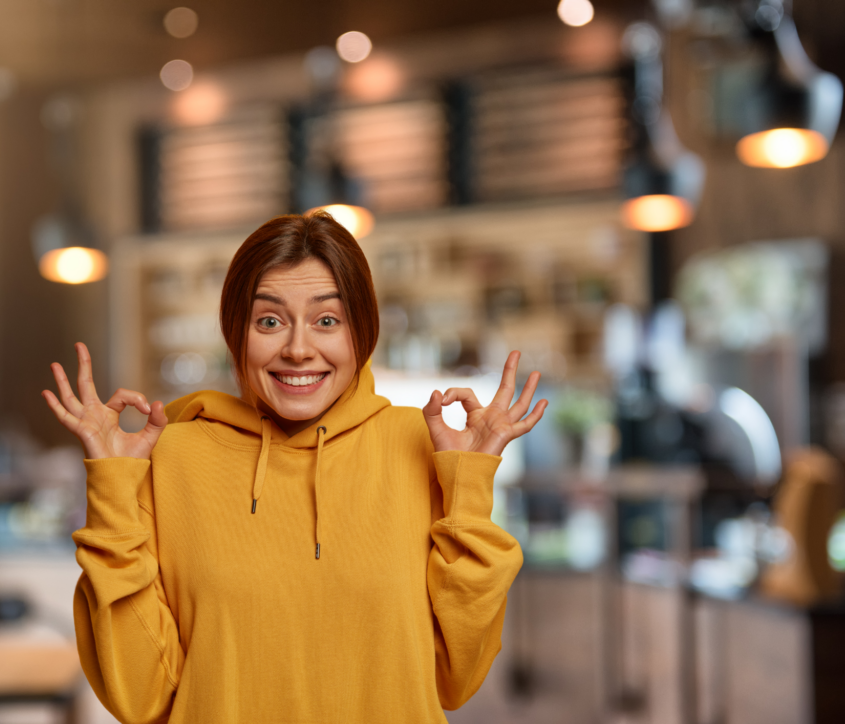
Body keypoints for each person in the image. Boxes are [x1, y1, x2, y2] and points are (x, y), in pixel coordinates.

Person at [42, 212, 547, 724]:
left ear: (363, 331)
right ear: (237, 332)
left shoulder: (420, 446)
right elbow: (141, 696)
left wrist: (469, 483)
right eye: (269, 321)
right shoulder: (170, 456)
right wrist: (112, 486)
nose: (299, 349)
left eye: (327, 320)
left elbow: (455, 678)